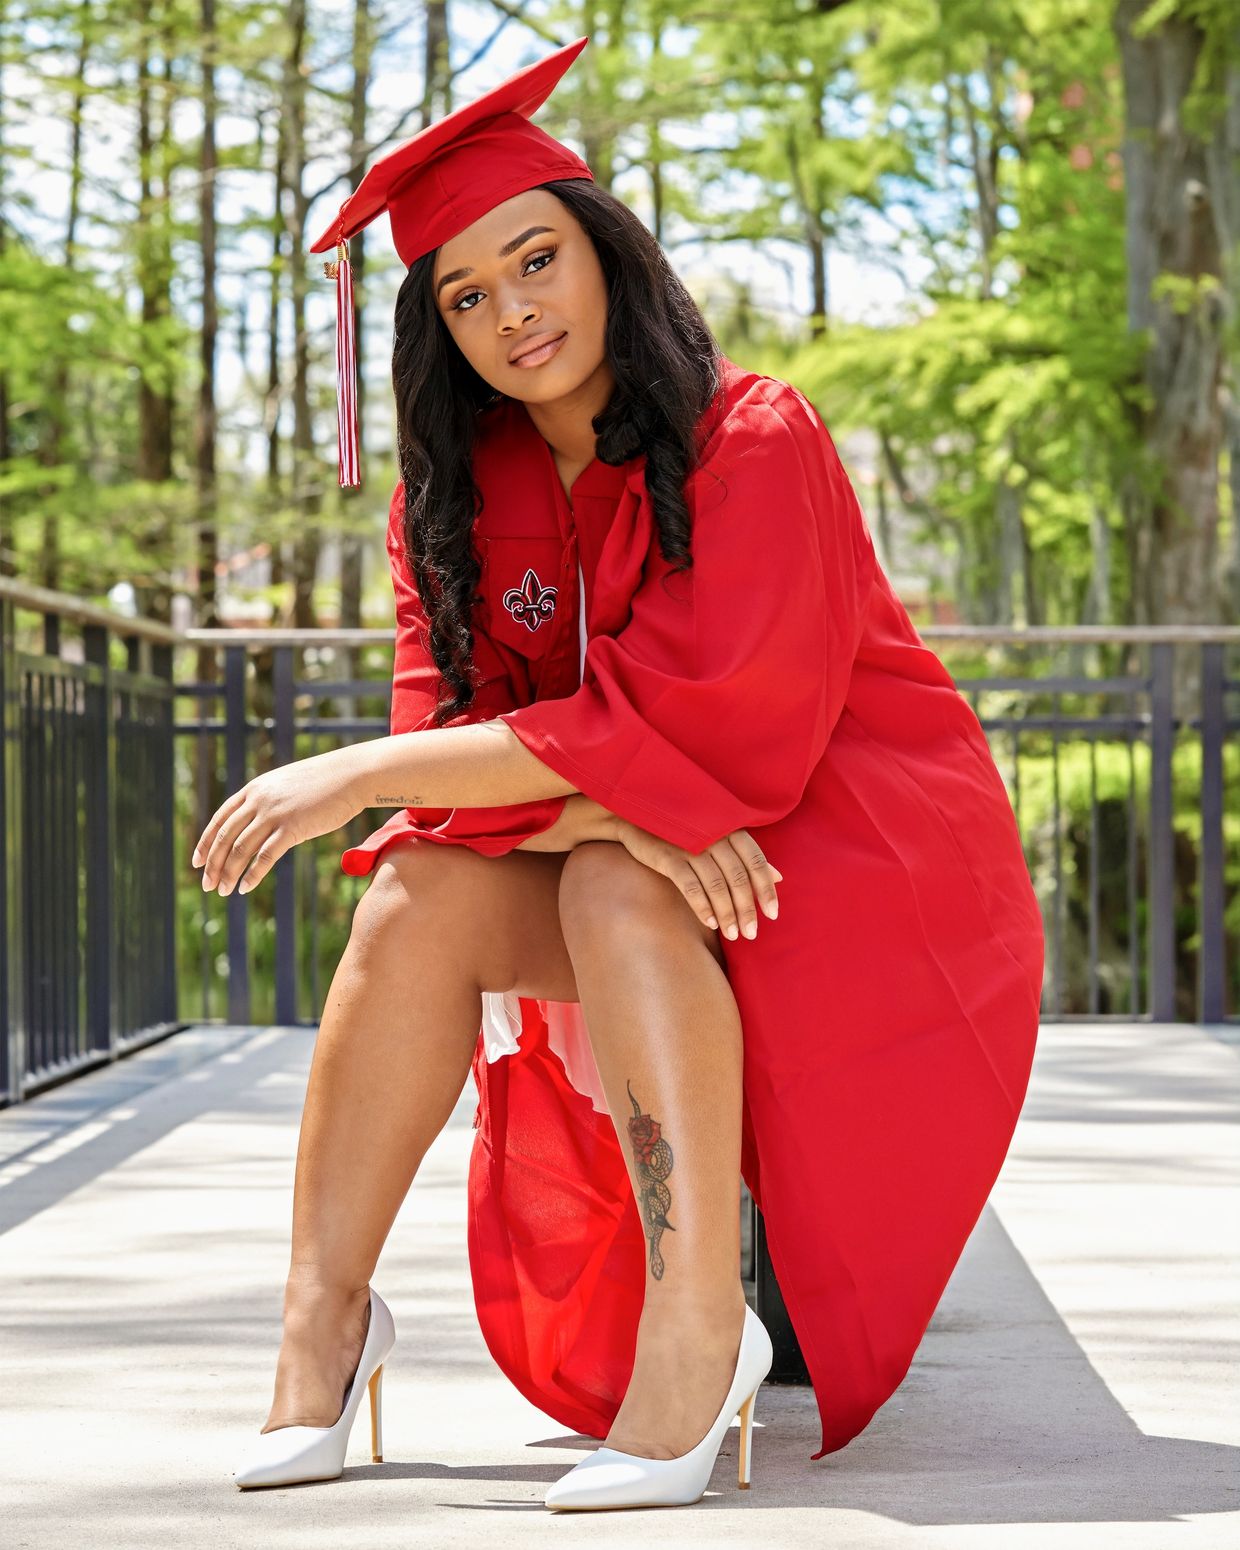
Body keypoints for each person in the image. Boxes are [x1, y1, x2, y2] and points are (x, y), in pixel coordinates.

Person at [201, 35, 1045, 1512]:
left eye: (537, 261)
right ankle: (322, 1327)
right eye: (467, 295)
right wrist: (633, 806)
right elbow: (459, 791)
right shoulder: (452, 502)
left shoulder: (753, 438)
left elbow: (736, 742)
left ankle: (699, 1329)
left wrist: (358, 773)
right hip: (662, 856)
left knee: (605, 871)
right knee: (419, 894)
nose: (513, 312)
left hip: (845, 857)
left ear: (606, 253)